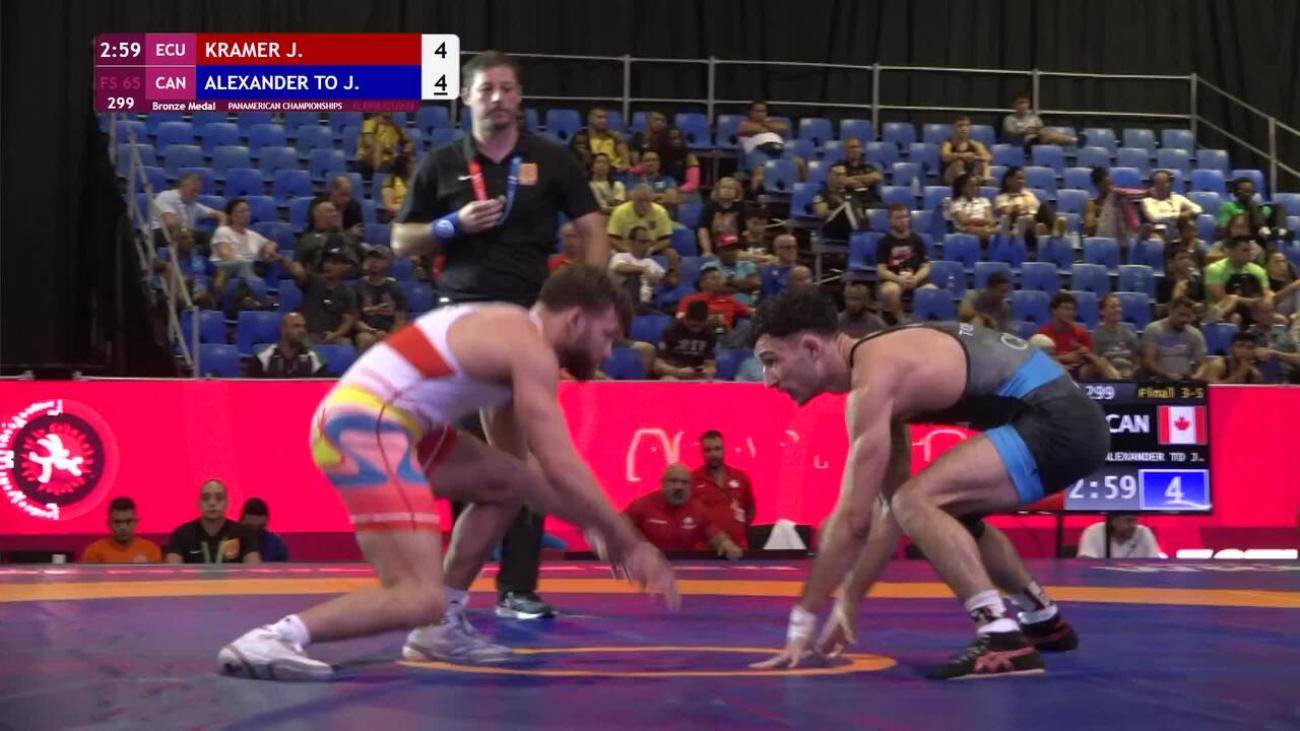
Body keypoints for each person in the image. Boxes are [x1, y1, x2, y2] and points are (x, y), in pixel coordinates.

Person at [218, 265, 678, 681]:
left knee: (506, 484)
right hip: (367, 426)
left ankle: (439, 629)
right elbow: (561, 461)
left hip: (385, 424)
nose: (607, 353)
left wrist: (596, 524)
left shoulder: (509, 338)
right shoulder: (529, 347)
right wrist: (628, 540)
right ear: (576, 320)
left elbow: (523, 475)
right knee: (418, 596)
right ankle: (275, 638)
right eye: (607, 336)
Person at [748, 289, 1107, 679]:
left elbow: (853, 521)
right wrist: (849, 598)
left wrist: (803, 619)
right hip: (1068, 421)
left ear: (811, 347)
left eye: (772, 361)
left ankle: (1002, 637)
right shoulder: (881, 369)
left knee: (917, 500)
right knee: (935, 510)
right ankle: (1042, 620)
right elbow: (891, 512)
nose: (768, 381)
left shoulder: (875, 379)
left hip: (1059, 423)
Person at [391, 51, 612, 621]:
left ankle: (517, 587)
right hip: (457, 326)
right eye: (486, 89)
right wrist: (452, 225)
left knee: (522, 456)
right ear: (466, 97)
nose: (498, 98)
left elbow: (593, 229)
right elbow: (400, 240)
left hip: (525, 325)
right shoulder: (441, 163)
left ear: (520, 97)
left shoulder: (552, 160)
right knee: (465, 456)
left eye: (507, 89)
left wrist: (585, 300)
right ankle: (452, 593)